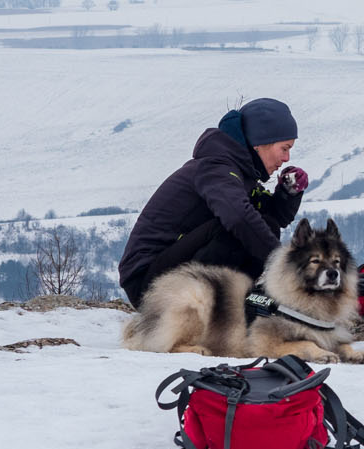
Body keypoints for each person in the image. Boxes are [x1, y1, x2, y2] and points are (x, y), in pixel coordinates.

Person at [116, 97, 310, 306]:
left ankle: (233, 303)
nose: (287, 158)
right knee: (235, 230)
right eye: (284, 148)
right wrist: (285, 265)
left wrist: (288, 193)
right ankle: (217, 305)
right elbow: (238, 218)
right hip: (147, 282)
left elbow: (271, 219)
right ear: (261, 143)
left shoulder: (239, 173)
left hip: (167, 272)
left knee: (263, 226)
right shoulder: (217, 168)